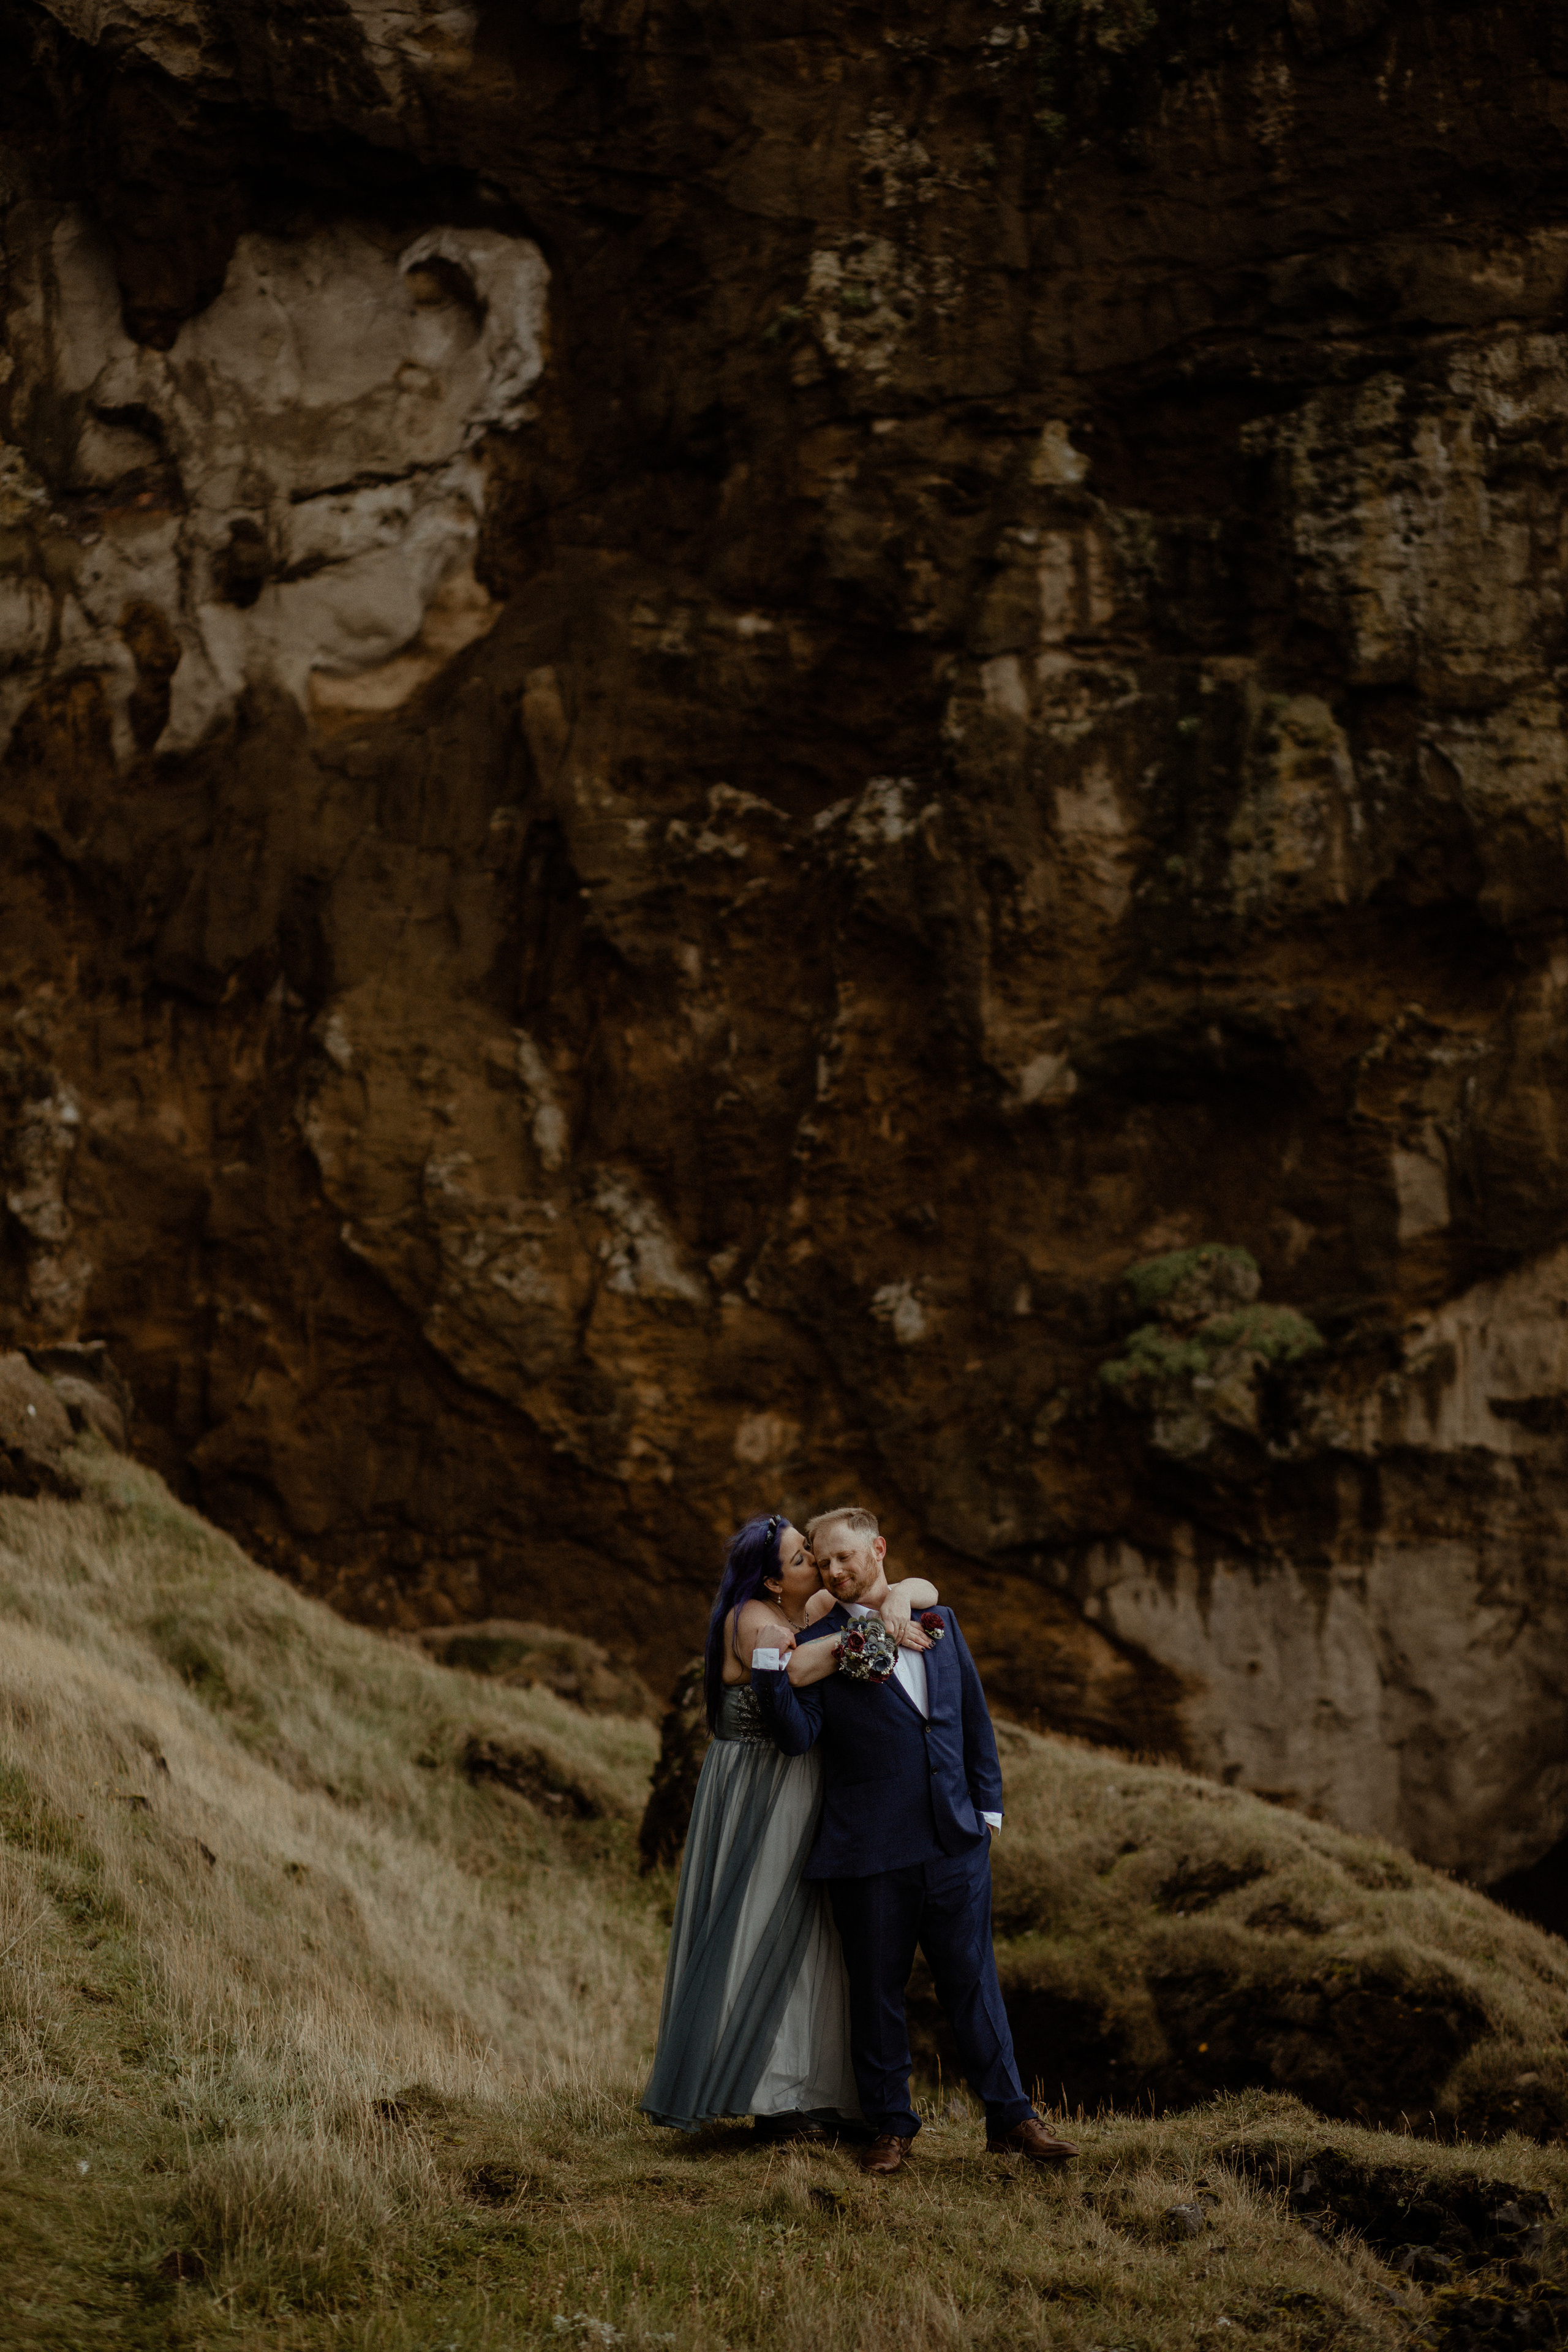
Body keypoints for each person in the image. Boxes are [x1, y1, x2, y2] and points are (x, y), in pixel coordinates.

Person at [751, 1504, 1081, 2177]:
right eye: (822, 1560)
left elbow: (970, 1718)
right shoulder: (821, 1643)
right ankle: (891, 2126)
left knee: (974, 1983)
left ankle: (1012, 2118)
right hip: (868, 1850)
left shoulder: (939, 1620)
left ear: (877, 1550)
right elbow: (796, 1737)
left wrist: (987, 1813)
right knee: (877, 1994)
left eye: (845, 1556)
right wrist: (769, 1669)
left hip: (955, 1841)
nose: (833, 1570)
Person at [639, 1511, 938, 2139]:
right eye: (804, 1558)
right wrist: (878, 1621)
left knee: (813, 1938)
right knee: (761, 1929)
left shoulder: (816, 1607)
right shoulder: (751, 1619)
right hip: (759, 1792)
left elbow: (924, 1589)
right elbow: (797, 1668)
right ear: (775, 1582)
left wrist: (900, 1596)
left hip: (807, 1787)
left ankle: (819, 2092)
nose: (822, 1565)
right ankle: (768, 2098)